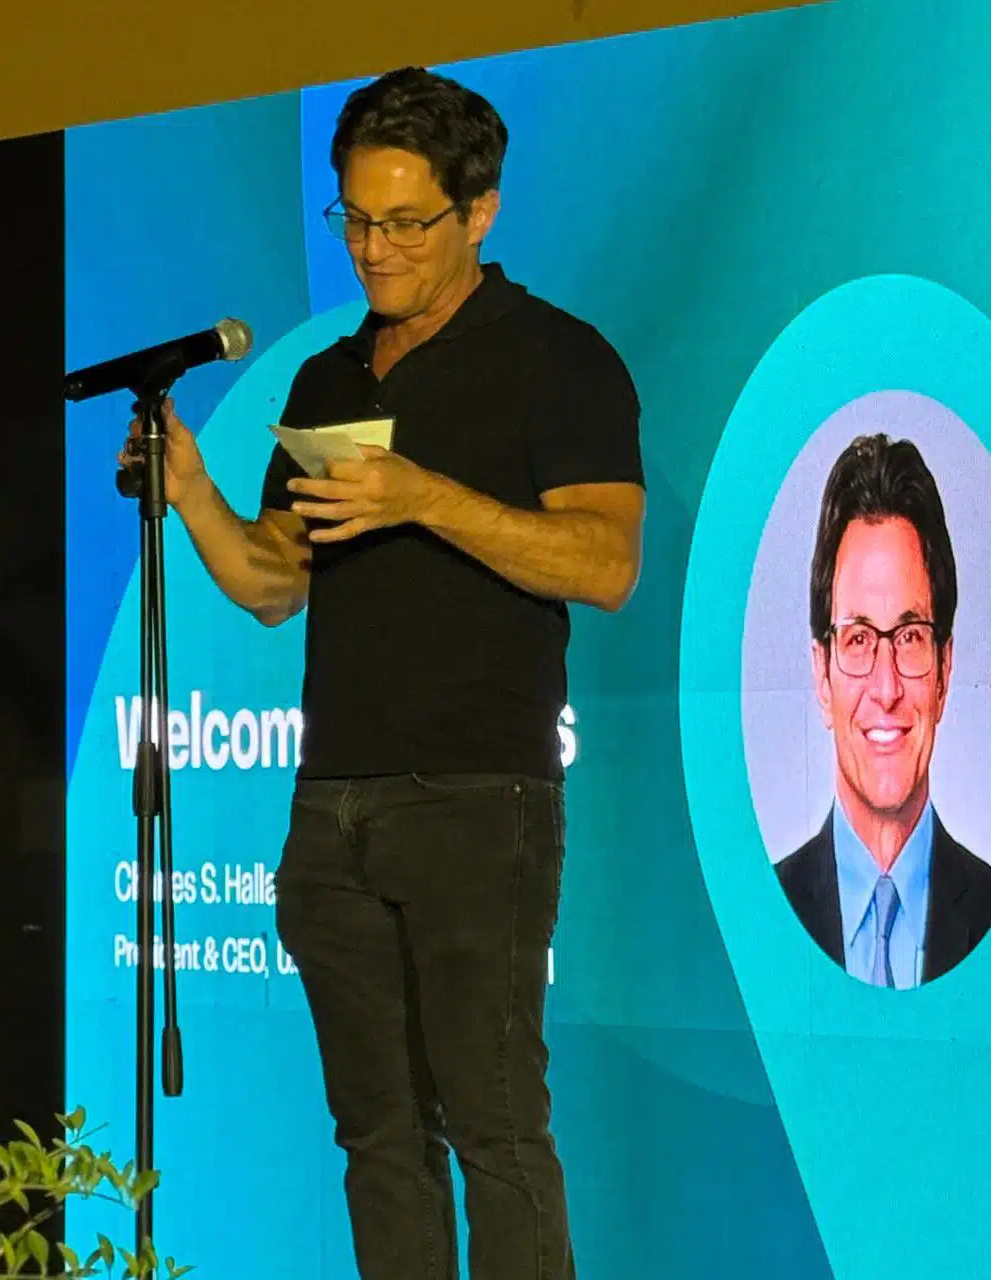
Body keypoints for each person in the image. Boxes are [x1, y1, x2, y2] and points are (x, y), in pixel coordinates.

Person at [121, 66, 645, 1278]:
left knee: (495, 1129)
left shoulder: (555, 358)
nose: (372, 248)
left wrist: (423, 496)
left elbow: (605, 561)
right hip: (333, 808)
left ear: (479, 211)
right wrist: (191, 488)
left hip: (477, 800)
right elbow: (273, 581)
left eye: (405, 221)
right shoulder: (327, 377)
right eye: (354, 218)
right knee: (377, 1138)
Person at [776, 432, 991, 988]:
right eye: (858, 639)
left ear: (944, 671)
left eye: (909, 637)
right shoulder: (765, 912)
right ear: (822, 675)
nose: (886, 688)